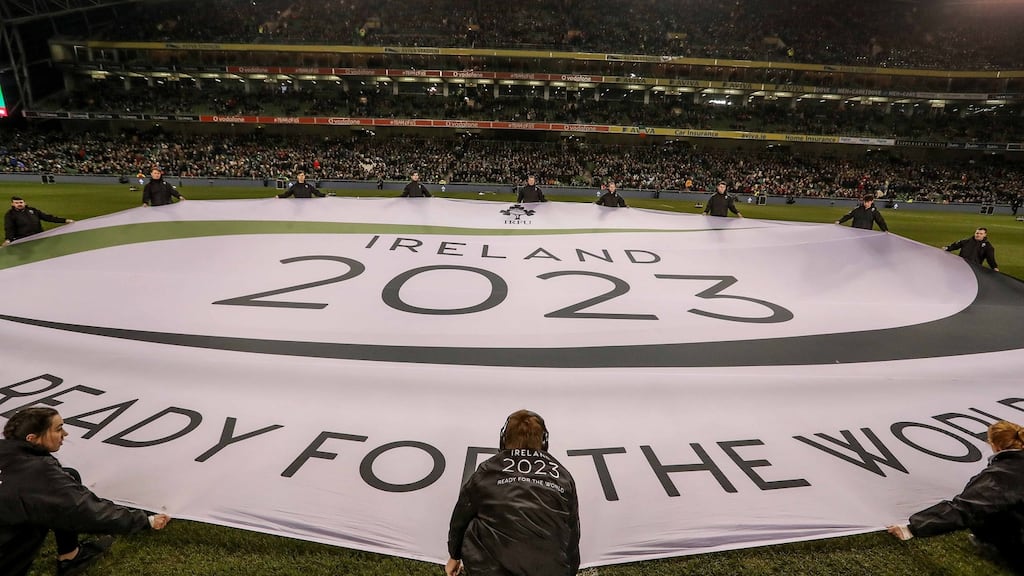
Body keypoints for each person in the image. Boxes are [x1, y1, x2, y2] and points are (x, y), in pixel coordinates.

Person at [0, 407, 171, 576]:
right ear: (33, 438)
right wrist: (145, 520)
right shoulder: (38, 473)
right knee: (56, 501)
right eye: (58, 429)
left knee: (69, 476)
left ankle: (70, 555)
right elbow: (85, 510)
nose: (65, 434)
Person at [446, 410, 580, 576]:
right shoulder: (563, 476)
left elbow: (460, 519)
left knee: (472, 517)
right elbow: (572, 533)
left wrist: (454, 556)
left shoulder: (487, 471)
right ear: (544, 441)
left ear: (504, 439)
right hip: (550, 570)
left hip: (492, 570)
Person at [887, 420, 1024, 572]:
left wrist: (911, 528)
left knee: (986, 513)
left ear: (995, 446)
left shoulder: (1002, 476)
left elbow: (966, 508)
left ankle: (996, 544)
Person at [2, 196, 74, 247]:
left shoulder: (32, 210)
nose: (19, 204)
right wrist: (8, 239)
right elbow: (9, 228)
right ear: (12, 204)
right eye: (16, 203)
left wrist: (65, 220)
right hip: (24, 239)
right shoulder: (10, 214)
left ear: (25, 203)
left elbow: (47, 217)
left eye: (21, 202)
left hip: (38, 237)